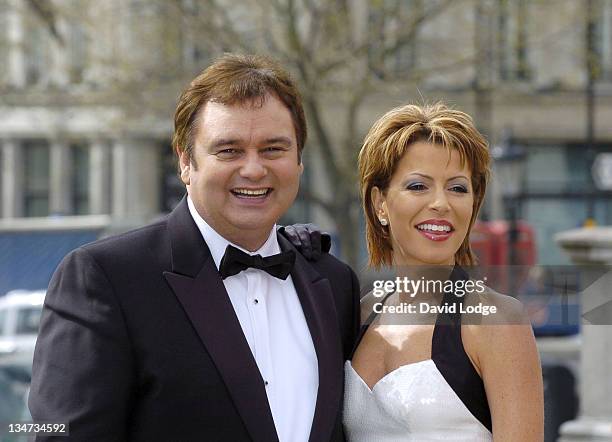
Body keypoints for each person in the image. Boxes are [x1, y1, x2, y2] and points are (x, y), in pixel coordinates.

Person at [29, 54, 360, 442]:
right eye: (229, 150)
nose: (254, 169)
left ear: (299, 162)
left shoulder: (334, 284)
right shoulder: (105, 279)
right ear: (186, 163)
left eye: (273, 149)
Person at [343, 103, 544, 441]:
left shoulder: (496, 322)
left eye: (457, 188)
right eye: (418, 186)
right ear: (380, 204)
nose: (441, 203)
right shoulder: (358, 315)